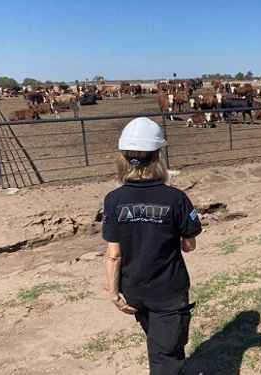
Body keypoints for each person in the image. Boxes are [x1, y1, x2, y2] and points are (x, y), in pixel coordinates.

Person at [103, 117, 202, 375]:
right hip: (168, 292)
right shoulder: (176, 198)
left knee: (161, 344)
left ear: (124, 157)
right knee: (164, 358)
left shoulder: (113, 200)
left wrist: (114, 294)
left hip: (134, 291)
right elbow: (189, 244)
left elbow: (114, 255)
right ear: (158, 155)